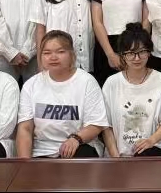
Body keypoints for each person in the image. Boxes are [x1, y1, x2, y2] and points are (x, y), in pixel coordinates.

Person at [17, 30, 108, 158]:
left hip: (79, 145)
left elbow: (96, 124)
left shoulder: (87, 81)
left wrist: (76, 139)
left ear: (72, 54)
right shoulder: (31, 85)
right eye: (47, 53)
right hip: (42, 150)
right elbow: (25, 128)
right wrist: (24, 164)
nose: (53, 57)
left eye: (60, 52)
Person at [101, 23, 161, 157]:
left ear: (149, 52)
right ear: (122, 55)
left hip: (153, 150)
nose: (137, 58)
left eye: (142, 52)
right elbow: (106, 127)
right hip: (119, 155)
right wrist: (116, 157)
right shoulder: (112, 83)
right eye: (130, 53)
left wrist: (150, 141)